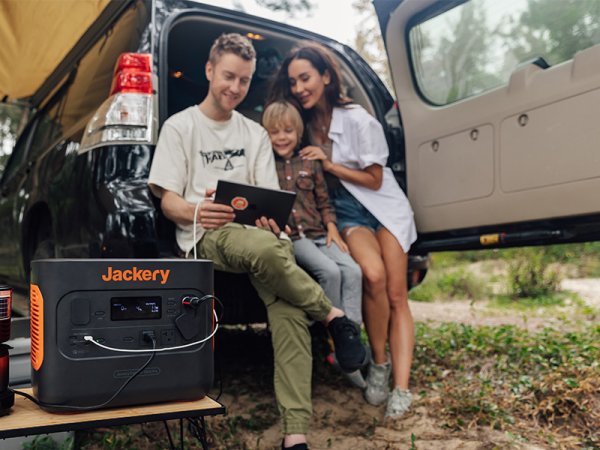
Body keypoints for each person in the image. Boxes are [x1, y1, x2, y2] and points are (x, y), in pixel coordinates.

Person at [147, 34, 368, 450]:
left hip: (260, 234)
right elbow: (168, 201)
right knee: (271, 253)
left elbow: (269, 198)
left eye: (244, 81)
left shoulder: (254, 133)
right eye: (228, 76)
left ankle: (296, 433)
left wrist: (269, 217)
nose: (235, 87)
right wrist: (197, 210)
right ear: (210, 71)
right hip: (208, 233)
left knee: (287, 312)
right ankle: (333, 315)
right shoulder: (181, 126)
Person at [269, 41, 418, 418]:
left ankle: (402, 387)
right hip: (348, 211)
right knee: (372, 275)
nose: (300, 88)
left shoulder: (357, 119)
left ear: (326, 76)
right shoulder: (300, 126)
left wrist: (330, 164)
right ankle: (378, 366)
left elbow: (374, 178)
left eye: (306, 78)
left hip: (383, 205)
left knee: (398, 294)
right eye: (294, 82)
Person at [262, 100, 365, 388]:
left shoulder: (310, 162)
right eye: (274, 132)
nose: (282, 137)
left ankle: (350, 340)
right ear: (265, 135)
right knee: (330, 273)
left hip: (321, 232)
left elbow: (323, 200)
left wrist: (333, 227)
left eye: (288, 131)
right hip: (295, 238)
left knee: (353, 270)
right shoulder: (265, 166)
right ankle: (334, 336)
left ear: (298, 132)